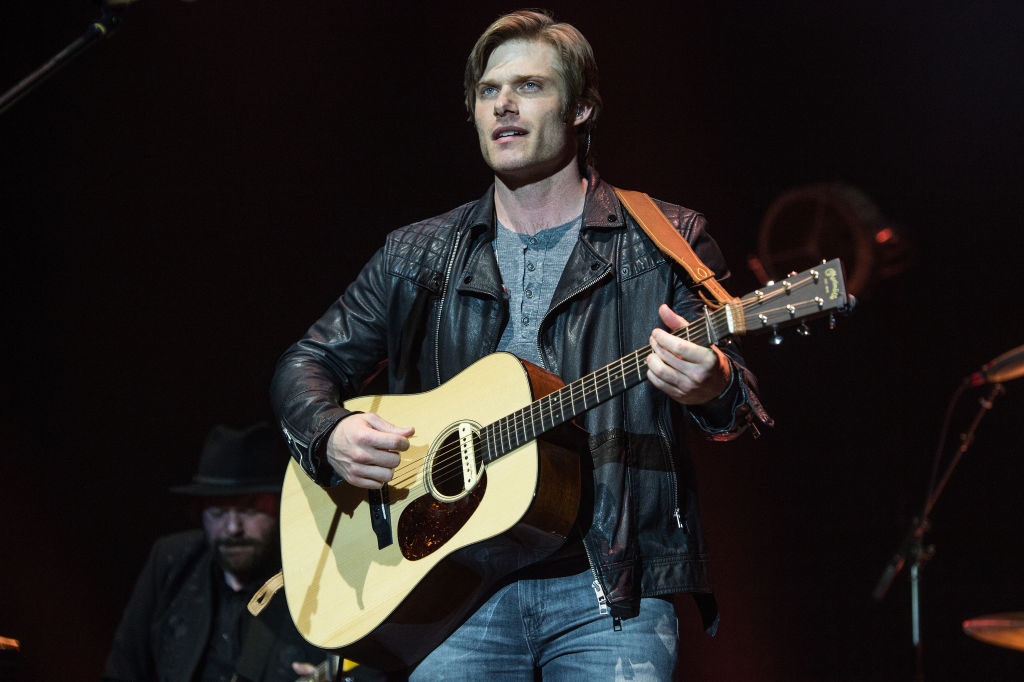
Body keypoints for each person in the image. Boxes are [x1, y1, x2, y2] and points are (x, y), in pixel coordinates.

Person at [270, 9, 771, 681]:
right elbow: (306, 362)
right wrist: (330, 433)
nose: (503, 104)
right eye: (488, 91)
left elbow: (739, 406)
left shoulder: (664, 239)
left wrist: (712, 385)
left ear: (581, 108)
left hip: (609, 588)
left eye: (530, 86)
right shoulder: (418, 253)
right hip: (453, 589)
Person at [101, 423, 336, 682]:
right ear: (199, 512)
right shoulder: (172, 562)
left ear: (279, 506)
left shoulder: (316, 578)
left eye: (249, 509)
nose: (233, 528)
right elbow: (121, 672)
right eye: (218, 512)